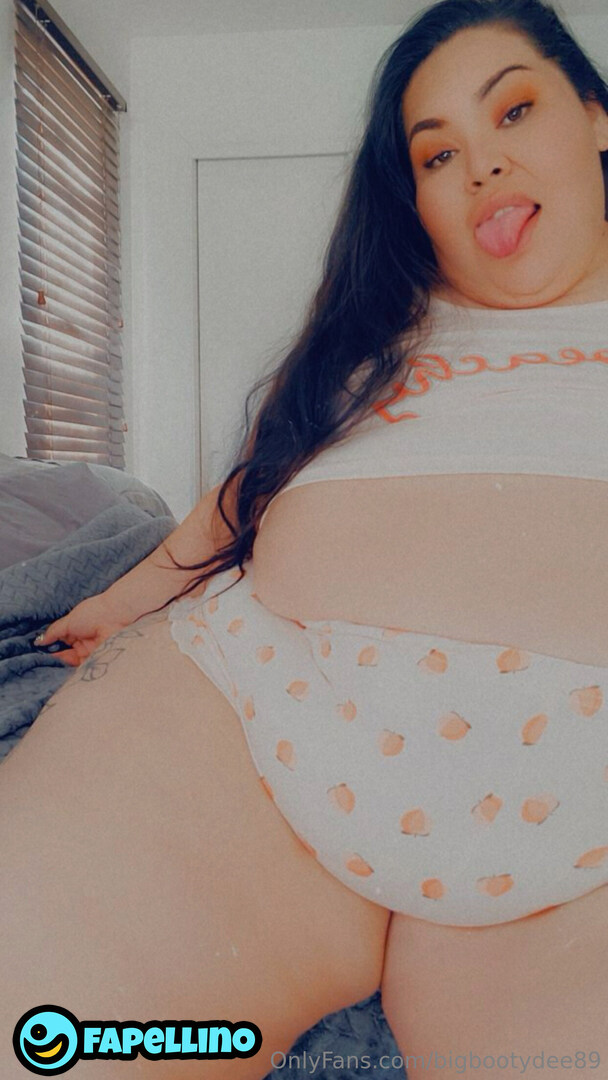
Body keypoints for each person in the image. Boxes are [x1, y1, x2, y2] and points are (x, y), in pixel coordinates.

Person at [3, 0, 608, 1076]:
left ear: (596, 116)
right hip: (261, 707)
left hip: (578, 807)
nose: (481, 166)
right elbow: (243, 496)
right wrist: (117, 601)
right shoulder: (373, 337)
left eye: (513, 110)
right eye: (437, 154)